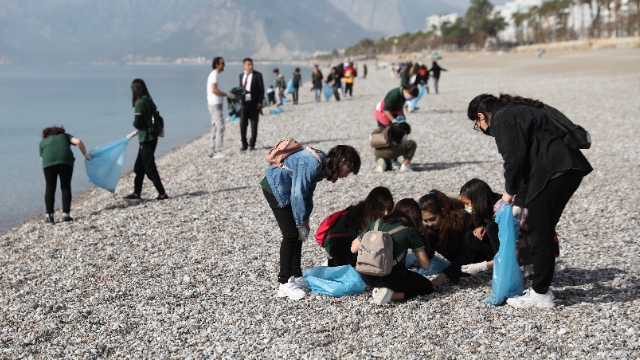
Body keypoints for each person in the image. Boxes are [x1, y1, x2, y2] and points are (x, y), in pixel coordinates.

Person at [467, 93, 593, 309]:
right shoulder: (514, 112)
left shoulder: (502, 120)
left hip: (555, 170)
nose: (482, 129)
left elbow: (514, 161)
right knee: (540, 227)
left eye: (477, 124)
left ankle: (541, 293)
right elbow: (526, 164)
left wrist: (508, 193)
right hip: (565, 168)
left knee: (539, 229)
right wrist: (520, 202)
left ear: (481, 115)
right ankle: (540, 287)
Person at [262, 145, 361, 300]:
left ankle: (296, 275)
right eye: (348, 170)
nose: (346, 175)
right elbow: (298, 193)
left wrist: (305, 220)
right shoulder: (313, 163)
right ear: (341, 162)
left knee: (299, 234)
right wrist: (300, 222)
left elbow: (308, 194)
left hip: (286, 188)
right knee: (290, 234)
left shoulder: (321, 165)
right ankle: (284, 283)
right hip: (275, 187)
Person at [352, 198, 435, 305]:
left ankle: (379, 289)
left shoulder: (376, 223)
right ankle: (391, 295)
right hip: (391, 277)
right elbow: (426, 265)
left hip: (366, 275)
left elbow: (353, 248)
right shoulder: (409, 231)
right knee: (426, 286)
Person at [324, 187, 394, 267]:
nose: (386, 213)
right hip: (335, 242)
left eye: (389, 208)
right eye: (382, 209)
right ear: (374, 206)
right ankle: (329, 264)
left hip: (352, 240)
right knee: (359, 258)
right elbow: (357, 245)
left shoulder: (374, 214)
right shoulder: (361, 218)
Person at [419, 190, 475, 291]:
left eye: (432, 219)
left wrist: (442, 276)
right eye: (425, 221)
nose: (429, 224)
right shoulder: (432, 228)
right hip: (457, 261)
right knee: (428, 233)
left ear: (443, 211)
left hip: (476, 260)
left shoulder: (461, 219)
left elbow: (467, 253)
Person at [124, 79, 168, 202]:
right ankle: (136, 194)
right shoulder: (149, 100)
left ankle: (162, 194)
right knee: (139, 167)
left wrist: (135, 125)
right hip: (152, 138)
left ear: (135, 90)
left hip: (145, 139)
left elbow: (137, 123)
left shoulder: (139, 103)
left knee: (149, 168)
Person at [39, 126, 90, 223]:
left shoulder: (42, 142)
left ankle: (49, 216)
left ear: (45, 135)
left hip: (48, 163)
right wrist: (85, 154)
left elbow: (41, 158)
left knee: (50, 187)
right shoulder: (65, 136)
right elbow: (78, 141)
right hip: (66, 161)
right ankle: (66, 215)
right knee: (65, 187)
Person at [458, 179, 502, 274]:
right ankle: (496, 262)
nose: (466, 208)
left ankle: (502, 263)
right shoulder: (484, 209)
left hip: (515, 246)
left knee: (491, 227)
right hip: (499, 246)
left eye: (467, 203)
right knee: (471, 237)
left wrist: (482, 266)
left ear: (478, 200)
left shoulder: (501, 206)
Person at [206, 56, 236, 159]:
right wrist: (227, 95)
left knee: (215, 126)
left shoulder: (217, 75)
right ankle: (217, 150)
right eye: (222, 63)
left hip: (215, 103)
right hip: (214, 104)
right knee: (220, 126)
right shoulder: (214, 75)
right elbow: (214, 90)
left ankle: (211, 150)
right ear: (217, 64)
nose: (224, 65)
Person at [238, 58, 265, 151]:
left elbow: (261, 89)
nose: (251, 66)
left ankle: (252, 144)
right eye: (248, 64)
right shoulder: (241, 76)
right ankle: (244, 143)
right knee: (242, 124)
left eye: (252, 64)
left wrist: (260, 102)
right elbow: (240, 89)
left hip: (254, 104)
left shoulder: (258, 75)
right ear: (244, 65)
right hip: (244, 103)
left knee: (254, 125)